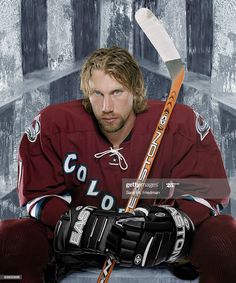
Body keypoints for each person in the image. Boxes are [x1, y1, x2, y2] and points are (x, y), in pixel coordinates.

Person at [0, 46, 235, 283]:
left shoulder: (180, 123)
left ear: (136, 91)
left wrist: (172, 221)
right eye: (97, 94)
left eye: (117, 92)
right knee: (11, 239)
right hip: (78, 247)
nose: (106, 107)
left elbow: (210, 190)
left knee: (226, 238)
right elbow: (39, 196)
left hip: (164, 246)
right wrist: (84, 226)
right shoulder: (54, 125)